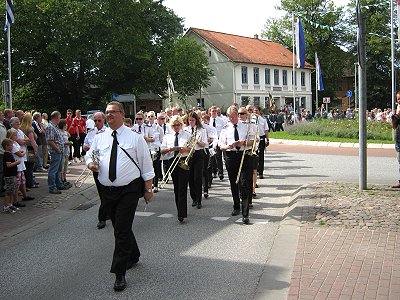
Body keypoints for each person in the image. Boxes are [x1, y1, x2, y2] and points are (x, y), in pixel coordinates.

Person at [86, 101, 154, 292]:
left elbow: (146, 166)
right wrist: (91, 164)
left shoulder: (135, 138)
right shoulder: (100, 137)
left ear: (122, 114)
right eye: (107, 113)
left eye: (113, 112)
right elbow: (90, 156)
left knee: (121, 230)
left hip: (129, 189)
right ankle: (133, 255)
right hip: (107, 190)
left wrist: (148, 190)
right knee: (118, 225)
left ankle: (119, 273)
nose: (109, 116)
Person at [218, 105, 255, 224]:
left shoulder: (246, 126)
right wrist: (227, 146)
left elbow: (254, 140)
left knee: (244, 183)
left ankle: (245, 213)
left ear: (238, 116)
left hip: (244, 155)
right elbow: (220, 144)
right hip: (230, 156)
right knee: (234, 182)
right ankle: (236, 206)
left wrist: (243, 142)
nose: (232, 119)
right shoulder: (225, 128)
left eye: (234, 117)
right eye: (230, 117)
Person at [160, 115, 191, 222]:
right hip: (171, 160)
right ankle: (180, 209)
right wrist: (170, 149)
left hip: (183, 161)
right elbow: (162, 151)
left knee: (182, 188)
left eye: (178, 125)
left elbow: (193, 150)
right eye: (174, 125)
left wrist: (185, 149)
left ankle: (181, 213)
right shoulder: (167, 136)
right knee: (177, 188)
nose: (176, 127)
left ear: (181, 125)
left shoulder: (187, 135)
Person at [83, 112, 108, 229]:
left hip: (106, 167)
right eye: (95, 121)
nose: (97, 123)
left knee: (107, 193)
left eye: (99, 120)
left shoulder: (108, 132)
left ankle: (104, 216)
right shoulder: (91, 132)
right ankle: (103, 217)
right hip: (95, 166)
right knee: (102, 193)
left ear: (104, 120)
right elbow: (85, 146)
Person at [184, 111, 207, 209]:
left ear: (196, 120)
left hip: (198, 154)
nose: (191, 122)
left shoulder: (202, 130)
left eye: (192, 120)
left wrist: (196, 141)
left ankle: (199, 200)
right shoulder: (185, 130)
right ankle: (193, 198)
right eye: (189, 120)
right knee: (190, 178)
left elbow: (204, 144)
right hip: (188, 153)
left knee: (197, 177)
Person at [45, 111, 66, 194]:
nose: (60, 119)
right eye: (59, 117)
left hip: (59, 151)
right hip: (55, 151)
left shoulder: (55, 126)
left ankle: (58, 184)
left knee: (58, 169)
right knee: (53, 170)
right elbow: (49, 141)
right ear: (56, 118)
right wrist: (57, 149)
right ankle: (52, 187)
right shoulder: (50, 127)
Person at [2, 138, 20, 213]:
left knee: (12, 190)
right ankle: (6, 207)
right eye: (11, 145)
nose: (12, 147)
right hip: (9, 176)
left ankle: (10, 204)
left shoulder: (9, 154)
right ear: (6, 146)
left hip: (13, 175)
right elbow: (8, 165)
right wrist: (17, 162)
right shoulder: (7, 155)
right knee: (9, 191)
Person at [58, 119, 72, 189]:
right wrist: (66, 143)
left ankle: (65, 179)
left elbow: (68, 137)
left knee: (66, 166)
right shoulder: (59, 132)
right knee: (62, 166)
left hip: (67, 151)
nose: (67, 125)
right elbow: (59, 142)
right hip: (62, 151)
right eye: (66, 124)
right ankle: (61, 179)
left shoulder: (65, 132)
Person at [391, 92, 400, 188]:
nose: (399, 100)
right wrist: (396, 116)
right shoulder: (397, 113)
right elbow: (394, 126)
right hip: (399, 140)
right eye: (398, 99)